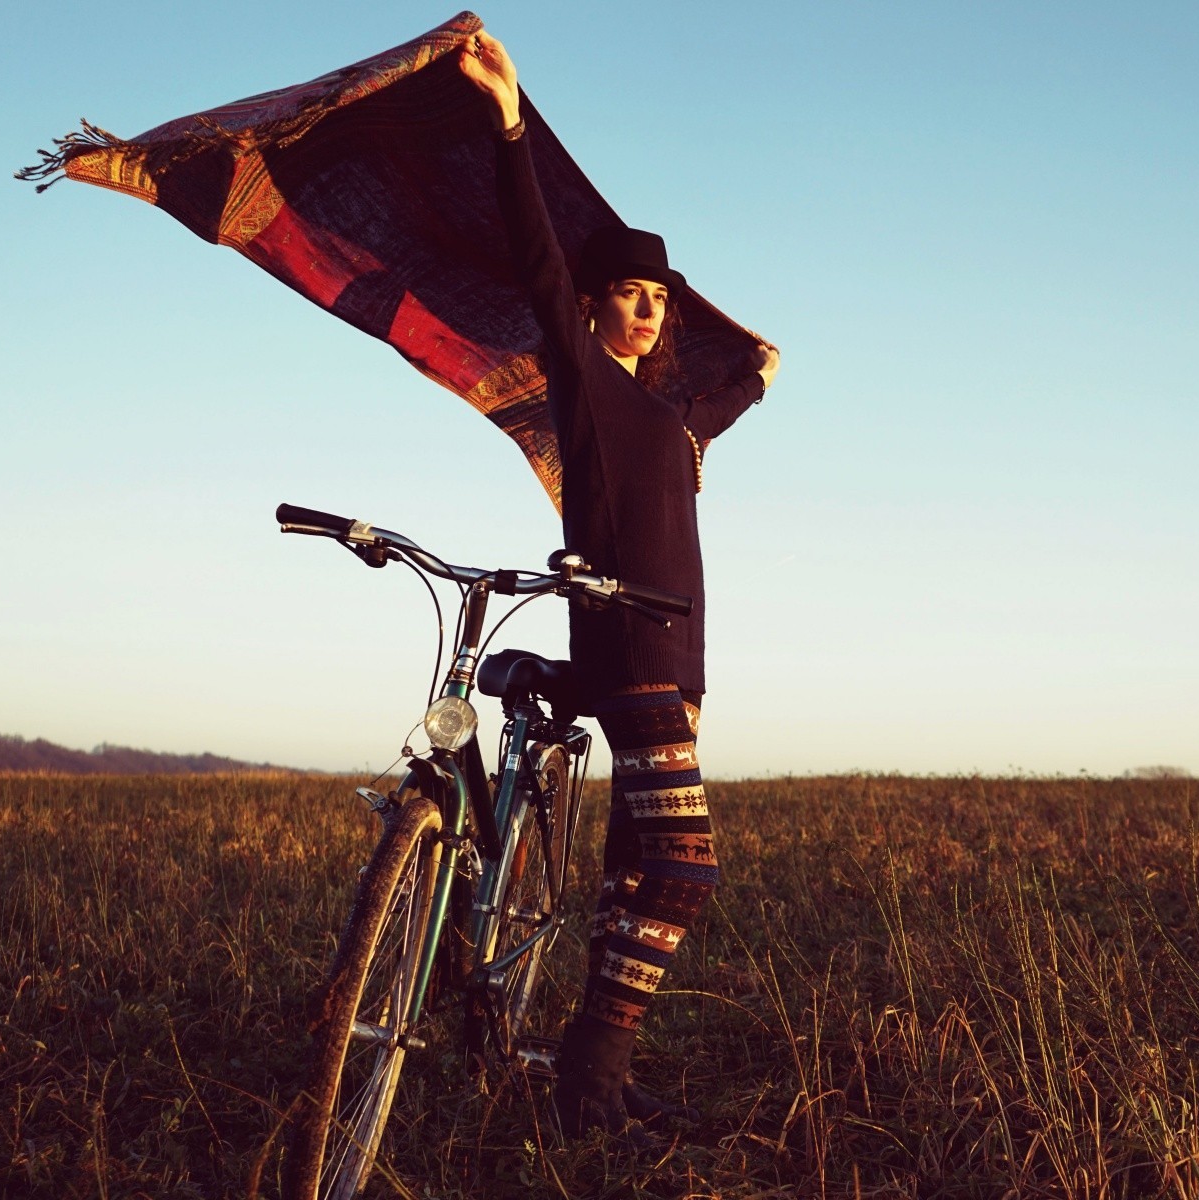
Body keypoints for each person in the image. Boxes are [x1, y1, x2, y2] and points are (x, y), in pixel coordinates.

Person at [460, 30, 780, 1142]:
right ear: (595, 309)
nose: (643, 311)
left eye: (657, 299)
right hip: (633, 657)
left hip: (673, 663)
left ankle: (598, 1091)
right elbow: (542, 268)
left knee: (633, 875)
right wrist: (508, 123)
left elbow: (716, 408)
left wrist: (759, 376)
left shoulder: (670, 418)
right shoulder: (587, 383)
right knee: (687, 871)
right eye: (626, 295)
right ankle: (589, 1067)